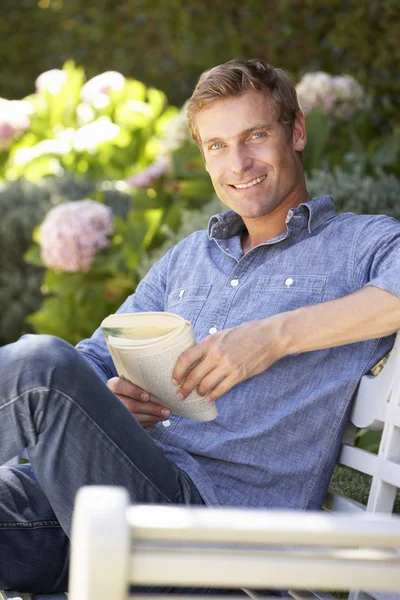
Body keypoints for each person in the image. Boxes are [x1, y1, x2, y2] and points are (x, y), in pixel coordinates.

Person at [1, 58, 400, 594]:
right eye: (216, 145)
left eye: (255, 135)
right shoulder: (190, 258)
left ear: (297, 131)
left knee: (39, 369)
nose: (238, 162)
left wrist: (271, 337)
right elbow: (93, 357)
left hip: (206, 535)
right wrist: (109, 402)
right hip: (93, 508)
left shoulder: (360, 246)